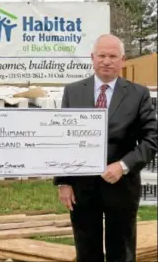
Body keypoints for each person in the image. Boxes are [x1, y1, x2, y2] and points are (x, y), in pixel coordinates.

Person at [53, 34, 157, 262]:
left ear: (122, 59)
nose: (106, 61)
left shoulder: (139, 94)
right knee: (86, 251)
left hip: (122, 186)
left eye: (112, 56)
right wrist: (63, 181)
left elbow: (152, 138)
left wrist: (123, 166)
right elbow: (62, 139)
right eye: (102, 55)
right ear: (92, 57)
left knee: (121, 251)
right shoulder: (73, 91)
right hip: (82, 187)